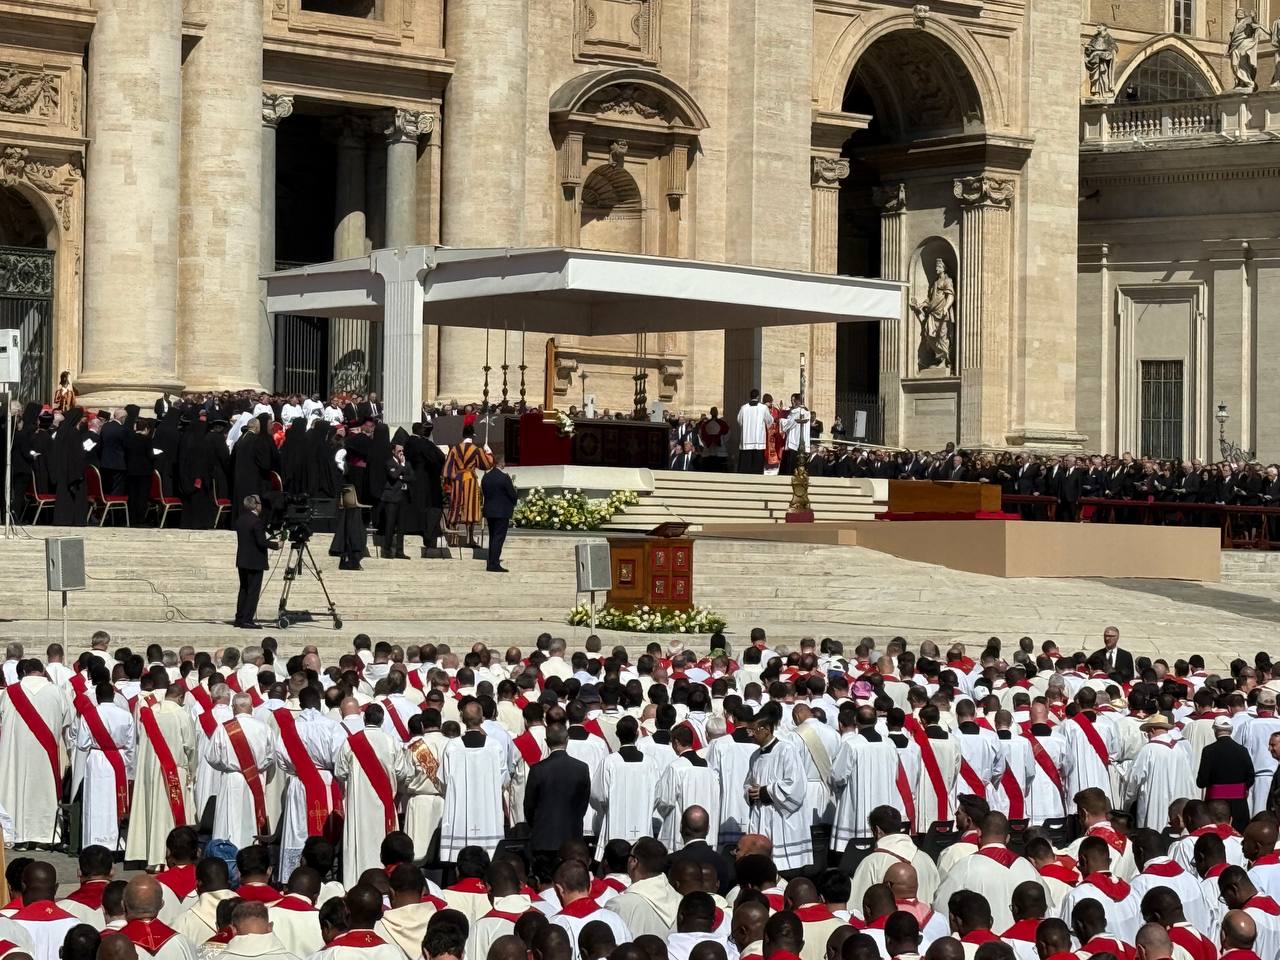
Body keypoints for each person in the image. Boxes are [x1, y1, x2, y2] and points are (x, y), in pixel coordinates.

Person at [525, 723, 591, 858]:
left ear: (546, 742)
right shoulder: (581, 768)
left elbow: (529, 806)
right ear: (567, 739)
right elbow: (583, 803)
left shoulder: (538, 769)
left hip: (544, 838)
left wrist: (538, 825)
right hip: (572, 838)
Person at [444, 424, 494, 548]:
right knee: (470, 508)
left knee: (456, 507)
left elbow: (447, 468)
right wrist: (489, 452)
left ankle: (454, 539)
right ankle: (469, 539)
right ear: (473, 435)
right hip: (470, 480)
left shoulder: (455, 449)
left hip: (458, 480)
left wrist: (452, 479)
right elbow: (486, 465)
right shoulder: (476, 450)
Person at [233, 494, 279, 629]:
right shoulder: (256, 521)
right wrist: (276, 545)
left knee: (244, 589)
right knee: (253, 591)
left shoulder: (240, 519)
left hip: (242, 561)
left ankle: (239, 618)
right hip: (254, 561)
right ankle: (247, 619)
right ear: (256, 505)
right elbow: (261, 542)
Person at [480, 458, 518, 574]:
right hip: (502, 512)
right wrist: (514, 501)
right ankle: (494, 563)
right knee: (498, 537)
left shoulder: (486, 477)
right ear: (501, 464)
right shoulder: (504, 477)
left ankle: (492, 561)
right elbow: (512, 494)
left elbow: (484, 493)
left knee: (493, 536)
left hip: (490, 511)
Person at [379, 442, 413, 560]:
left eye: (402, 451)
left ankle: (400, 551)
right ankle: (386, 550)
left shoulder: (406, 464)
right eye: (399, 451)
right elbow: (393, 476)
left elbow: (411, 477)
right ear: (393, 452)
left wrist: (402, 475)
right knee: (390, 524)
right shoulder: (389, 463)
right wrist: (401, 467)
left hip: (403, 497)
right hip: (392, 498)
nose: (401, 453)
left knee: (401, 526)